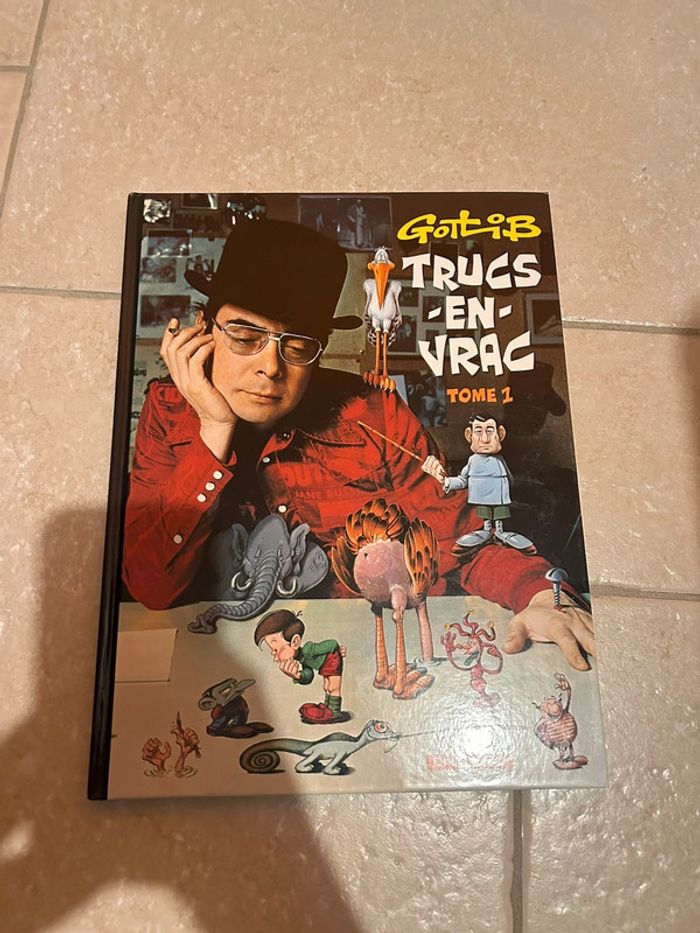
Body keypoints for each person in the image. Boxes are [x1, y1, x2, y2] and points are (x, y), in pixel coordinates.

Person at [123, 219, 595, 671]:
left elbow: (464, 542)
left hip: (363, 655)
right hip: (212, 660)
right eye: (245, 337)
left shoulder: (375, 414)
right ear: (203, 329)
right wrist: (214, 427)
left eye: (298, 346)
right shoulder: (168, 410)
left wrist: (541, 596)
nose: (270, 366)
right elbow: (152, 588)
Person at [254, 609, 349, 725]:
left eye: (277, 650)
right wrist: (297, 676)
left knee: (332, 687)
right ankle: (327, 708)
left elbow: (331, 643)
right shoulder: (302, 658)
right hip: (325, 665)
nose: (275, 658)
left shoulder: (309, 649)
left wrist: (337, 648)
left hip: (333, 660)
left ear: (295, 642)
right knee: (326, 686)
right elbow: (309, 675)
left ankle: (335, 712)